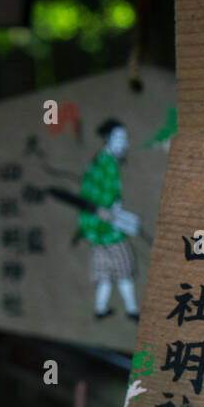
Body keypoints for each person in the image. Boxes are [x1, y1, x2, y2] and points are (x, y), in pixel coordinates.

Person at [79, 118, 140, 320]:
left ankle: (100, 309)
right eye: (120, 138)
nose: (124, 143)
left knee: (105, 274)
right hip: (106, 229)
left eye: (125, 138)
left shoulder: (103, 162)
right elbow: (100, 199)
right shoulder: (105, 164)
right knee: (124, 269)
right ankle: (131, 310)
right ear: (108, 139)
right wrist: (110, 215)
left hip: (98, 229)